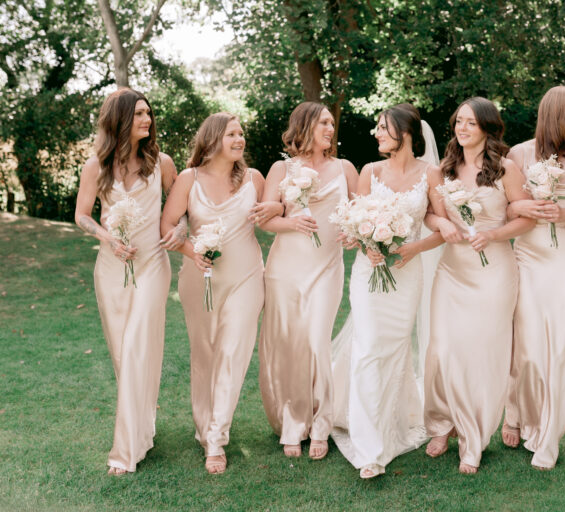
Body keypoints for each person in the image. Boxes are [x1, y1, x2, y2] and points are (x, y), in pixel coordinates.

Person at [160, 112, 281, 474]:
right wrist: (192, 251)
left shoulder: (254, 178)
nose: (239, 139)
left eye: (241, 133)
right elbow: (167, 225)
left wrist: (276, 206)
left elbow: (275, 213)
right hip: (200, 279)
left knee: (233, 353)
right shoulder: (189, 179)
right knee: (205, 355)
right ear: (212, 139)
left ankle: (216, 438)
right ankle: (204, 427)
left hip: (246, 277)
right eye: (231, 134)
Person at [330, 104, 444, 479]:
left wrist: (413, 248)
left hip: (407, 276)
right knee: (367, 349)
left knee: (393, 350)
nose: (376, 133)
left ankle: (388, 424)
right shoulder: (370, 171)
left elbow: (442, 228)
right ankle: (370, 449)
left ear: (405, 132)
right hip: (370, 272)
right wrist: (368, 246)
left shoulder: (431, 174)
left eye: (382, 127)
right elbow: (355, 221)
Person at [423, 97, 535, 474]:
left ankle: (473, 437)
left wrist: (493, 234)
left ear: (487, 127)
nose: (463, 128)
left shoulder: (506, 169)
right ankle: (442, 423)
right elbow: (431, 215)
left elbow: (527, 219)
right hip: (452, 270)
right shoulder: (442, 170)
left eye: (471, 122)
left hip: (494, 270)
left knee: (483, 353)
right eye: (459, 121)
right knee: (442, 349)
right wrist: (442, 224)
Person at [74, 88, 183, 475]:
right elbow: (82, 215)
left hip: (152, 264)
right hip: (111, 269)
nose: (147, 119)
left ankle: (124, 451)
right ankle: (141, 427)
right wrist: (107, 237)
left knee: (137, 346)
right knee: (125, 355)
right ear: (119, 119)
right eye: (138, 114)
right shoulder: (96, 166)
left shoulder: (161, 163)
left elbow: (182, 206)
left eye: (148, 113)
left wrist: (181, 228)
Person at [502, 85, 565, 470]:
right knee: (528, 349)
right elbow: (507, 206)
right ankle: (518, 412)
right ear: (562, 116)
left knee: (564, 349)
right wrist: (526, 206)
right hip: (530, 257)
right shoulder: (519, 153)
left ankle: (548, 436)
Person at [258, 102, 358, 460]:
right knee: (290, 345)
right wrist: (292, 222)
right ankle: (292, 423)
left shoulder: (345, 168)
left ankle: (321, 424)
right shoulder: (281, 168)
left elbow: (359, 213)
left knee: (317, 342)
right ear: (305, 126)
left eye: (331, 123)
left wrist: (356, 233)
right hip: (285, 268)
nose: (330, 129)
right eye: (323, 123)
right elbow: (265, 219)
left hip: (327, 267)